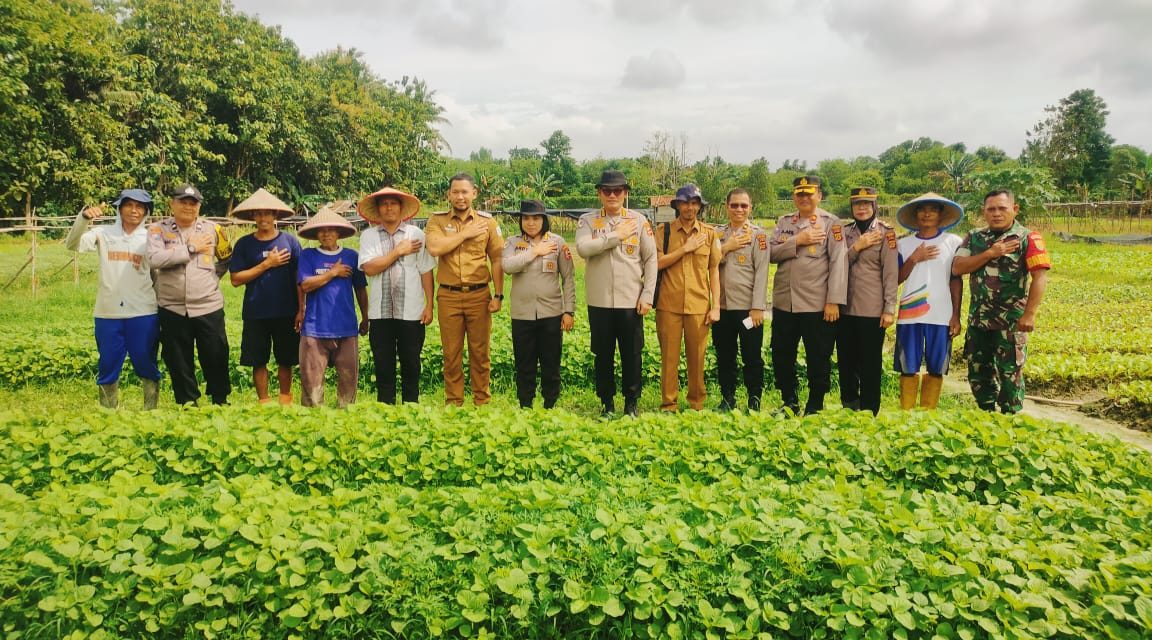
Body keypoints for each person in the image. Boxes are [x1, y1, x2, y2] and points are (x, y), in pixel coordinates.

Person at [952, 189, 1051, 414]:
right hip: (979, 321)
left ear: (1014, 209)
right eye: (991, 209)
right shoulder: (974, 237)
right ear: (984, 212)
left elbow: (1040, 276)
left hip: (1011, 322)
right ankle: (985, 413)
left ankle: (1010, 418)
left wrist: (1029, 314)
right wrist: (990, 253)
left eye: (1002, 208)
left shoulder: (1028, 238)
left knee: (1010, 373)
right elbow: (957, 268)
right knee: (978, 372)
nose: (996, 213)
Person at [65, 188, 162, 409]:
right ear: (119, 208)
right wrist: (83, 219)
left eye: (140, 207)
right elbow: (73, 245)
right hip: (108, 312)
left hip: (143, 311)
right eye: (129, 205)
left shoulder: (151, 237)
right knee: (108, 363)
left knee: (146, 361)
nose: (134, 211)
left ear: (146, 211)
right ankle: (108, 413)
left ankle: (151, 411)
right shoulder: (103, 233)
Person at [576, 169, 657, 417]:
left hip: (630, 300)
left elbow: (651, 258)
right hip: (600, 301)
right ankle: (607, 403)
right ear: (600, 193)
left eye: (618, 190)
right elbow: (582, 248)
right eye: (607, 191)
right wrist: (615, 236)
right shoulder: (588, 221)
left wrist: (647, 295)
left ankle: (631, 403)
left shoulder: (639, 221)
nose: (612, 195)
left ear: (625, 193)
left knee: (632, 354)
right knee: (603, 355)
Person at [146, 183, 233, 406]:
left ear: (199, 206)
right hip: (172, 306)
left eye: (192, 203)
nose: (188, 207)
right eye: (182, 202)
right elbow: (154, 259)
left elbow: (226, 258)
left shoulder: (214, 229)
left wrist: (213, 278)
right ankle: (188, 403)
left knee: (215, 354)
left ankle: (220, 399)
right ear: (171, 204)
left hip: (208, 305)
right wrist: (190, 249)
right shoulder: (157, 230)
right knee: (178, 358)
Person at [769, 176, 847, 415]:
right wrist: (797, 241)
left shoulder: (831, 224)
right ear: (794, 196)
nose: (804, 198)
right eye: (799, 194)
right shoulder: (784, 223)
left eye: (809, 193)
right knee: (782, 355)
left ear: (819, 195)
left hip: (816, 304)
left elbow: (839, 263)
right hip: (785, 303)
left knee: (818, 357)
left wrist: (833, 301)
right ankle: (789, 401)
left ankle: (815, 405)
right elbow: (770, 253)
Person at [424, 173, 504, 407]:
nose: (460, 196)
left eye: (464, 192)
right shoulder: (437, 221)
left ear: (474, 193)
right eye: (455, 192)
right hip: (448, 296)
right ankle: (454, 403)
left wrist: (498, 295)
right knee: (451, 354)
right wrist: (466, 234)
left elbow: (497, 259)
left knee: (480, 353)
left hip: (479, 295)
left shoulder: (487, 222)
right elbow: (435, 248)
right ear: (448, 194)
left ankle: (482, 402)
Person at [357, 186, 435, 405]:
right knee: (383, 365)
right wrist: (397, 252)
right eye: (384, 204)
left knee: (412, 363)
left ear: (401, 208)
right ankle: (386, 409)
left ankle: (411, 408)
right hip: (380, 313)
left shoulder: (416, 235)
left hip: (411, 312)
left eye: (393, 203)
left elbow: (426, 271)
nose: (389, 207)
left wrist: (429, 305)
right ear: (378, 209)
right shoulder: (369, 236)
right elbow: (370, 268)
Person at [228, 188, 302, 405]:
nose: (263, 218)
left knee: (286, 359)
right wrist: (267, 264)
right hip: (256, 312)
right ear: (253, 217)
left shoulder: (290, 242)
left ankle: (285, 400)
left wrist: (301, 309)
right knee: (257, 360)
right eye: (258, 214)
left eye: (268, 213)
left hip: (286, 310)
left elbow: (300, 279)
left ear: (275, 216)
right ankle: (264, 402)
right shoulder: (244, 244)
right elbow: (235, 279)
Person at [501, 199, 576, 408]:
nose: (531, 223)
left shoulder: (558, 243)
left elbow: (568, 278)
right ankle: (525, 404)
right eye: (526, 218)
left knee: (551, 363)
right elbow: (507, 265)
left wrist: (568, 311)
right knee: (524, 364)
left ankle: (549, 404)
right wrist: (534, 252)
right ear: (521, 221)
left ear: (544, 220)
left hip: (551, 313)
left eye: (536, 218)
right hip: (522, 314)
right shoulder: (512, 243)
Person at [894, 192, 964, 410]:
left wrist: (956, 315)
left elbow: (955, 279)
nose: (927, 214)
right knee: (908, 367)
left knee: (936, 367)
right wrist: (914, 258)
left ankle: (927, 414)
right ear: (915, 215)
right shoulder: (903, 244)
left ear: (941, 215)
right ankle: (906, 414)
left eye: (933, 209)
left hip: (941, 314)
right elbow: (896, 278)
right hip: (909, 314)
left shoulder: (953, 242)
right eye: (922, 209)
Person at [654, 184, 722, 412]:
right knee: (669, 358)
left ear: (699, 207)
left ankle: (696, 404)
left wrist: (716, 306)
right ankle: (669, 404)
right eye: (684, 203)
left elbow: (714, 270)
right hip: (668, 305)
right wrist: (685, 249)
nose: (689, 208)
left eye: (694, 203)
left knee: (697, 358)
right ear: (677, 205)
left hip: (699, 305)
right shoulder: (664, 232)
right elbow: (656, 263)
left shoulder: (710, 234)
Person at [296, 209, 369, 408]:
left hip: (346, 327)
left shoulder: (351, 256)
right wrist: (333, 272)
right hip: (314, 328)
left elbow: (360, 289)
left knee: (348, 379)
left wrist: (365, 316)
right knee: (311, 385)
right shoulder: (308, 256)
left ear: (339, 233)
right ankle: (313, 421)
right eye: (321, 231)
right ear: (315, 235)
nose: (326, 234)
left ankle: (344, 419)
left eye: (331, 230)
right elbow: (305, 285)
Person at [835, 186, 899, 414]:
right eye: (856, 204)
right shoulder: (843, 232)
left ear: (874, 206)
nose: (861, 208)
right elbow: (837, 264)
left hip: (872, 309)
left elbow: (891, 273)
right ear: (851, 207)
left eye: (866, 204)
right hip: (844, 308)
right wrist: (857, 247)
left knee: (870, 362)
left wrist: (889, 308)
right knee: (846, 361)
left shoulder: (886, 233)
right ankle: (849, 405)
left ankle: (870, 409)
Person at [712, 188, 770, 411]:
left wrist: (758, 307)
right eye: (734, 205)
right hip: (722, 307)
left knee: (752, 357)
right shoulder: (717, 235)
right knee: (725, 356)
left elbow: (762, 272)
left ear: (750, 208)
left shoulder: (758, 236)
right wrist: (727, 248)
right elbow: (708, 265)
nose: (739, 209)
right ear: (726, 206)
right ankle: (728, 398)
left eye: (743, 206)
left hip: (748, 310)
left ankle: (754, 400)